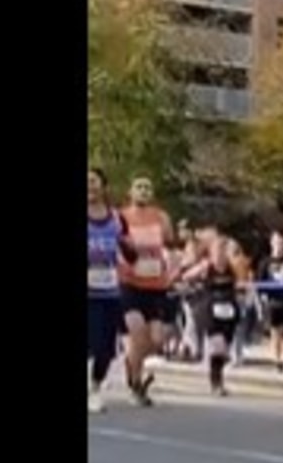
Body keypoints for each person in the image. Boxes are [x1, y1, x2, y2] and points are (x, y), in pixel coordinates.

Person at [118, 176, 177, 407]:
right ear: (130, 192)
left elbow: (171, 248)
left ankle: (132, 363)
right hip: (129, 285)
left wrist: (173, 271)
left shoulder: (161, 218)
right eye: (139, 187)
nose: (143, 191)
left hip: (156, 286)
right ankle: (135, 384)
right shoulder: (121, 217)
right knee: (137, 333)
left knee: (156, 340)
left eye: (147, 187)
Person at [86, 168, 132, 413]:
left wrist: (128, 247)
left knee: (105, 348)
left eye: (93, 182)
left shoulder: (116, 218)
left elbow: (129, 253)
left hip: (109, 290)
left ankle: (94, 387)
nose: (89, 187)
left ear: (103, 186)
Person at [181, 236, 246, 395]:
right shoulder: (206, 267)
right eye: (217, 252)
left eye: (223, 251)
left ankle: (218, 379)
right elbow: (186, 277)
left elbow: (242, 283)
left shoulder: (232, 268)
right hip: (210, 310)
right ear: (211, 253)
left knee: (224, 349)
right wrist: (195, 282)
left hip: (229, 310)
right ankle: (216, 383)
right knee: (218, 345)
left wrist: (241, 290)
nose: (221, 256)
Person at [259, 231, 283, 373]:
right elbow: (260, 281)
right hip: (272, 301)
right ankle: (277, 359)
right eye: (276, 242)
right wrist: (263, 297)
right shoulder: (265, 262)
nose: (279, 246)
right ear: (271, 243)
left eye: (281, 242)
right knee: (275, 332)